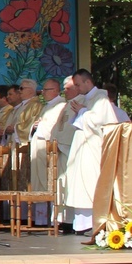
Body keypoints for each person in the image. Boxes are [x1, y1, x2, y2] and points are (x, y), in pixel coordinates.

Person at [66, 69, 117, 234]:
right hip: (82, 147)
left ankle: (94, 222)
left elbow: (100, 122)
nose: (78, 88)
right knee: (79, 183)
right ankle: (81, 223)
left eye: (79, 84)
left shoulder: (101, 99)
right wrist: (79, 111)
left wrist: (82, 111)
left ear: (88, 82)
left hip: (92, 147)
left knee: (89, 182)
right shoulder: (85, 99)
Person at [29, 79, 65, 225]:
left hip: (47, 149)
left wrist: (41, 125)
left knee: (45, 181)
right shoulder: (48, 106)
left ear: (56, 90)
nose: (43, 93)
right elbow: (39, 123)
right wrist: (35, 126)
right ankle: (40, 220)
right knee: (38, 181)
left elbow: (54, 127)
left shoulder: (61, 106)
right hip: (39, 148)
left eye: (46, 90)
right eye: (43, 90)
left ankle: (49, 219)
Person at [49, 76, 81, 231]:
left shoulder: (81, 102)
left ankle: (73, 220)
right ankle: (64, 219)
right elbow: (59, 126)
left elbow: (73, 128)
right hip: (62, 149)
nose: (64, 91)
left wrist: (61, 142)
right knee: (62, 185)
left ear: (77, 87)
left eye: (67, 88)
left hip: (71, 150)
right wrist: (54, 140)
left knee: (71, 184)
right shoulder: (67, 105)